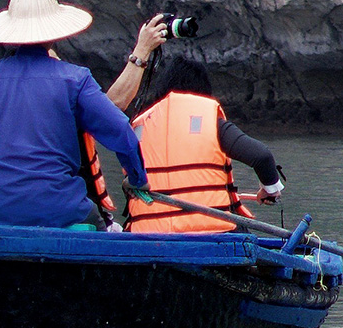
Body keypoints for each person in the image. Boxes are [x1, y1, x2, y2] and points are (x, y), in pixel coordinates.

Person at [0, 0, 147, 228]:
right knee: (110, 227)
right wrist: (137, 179)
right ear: (54, 35)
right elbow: (120, 130)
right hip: (63, 212)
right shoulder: (75, 79)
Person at [119, 44, 286, 233]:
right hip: (210, 233)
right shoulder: (210, 122)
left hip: (147, 234)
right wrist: (271, 190)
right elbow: (261, 156)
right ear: (202, 89)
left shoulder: (138, 127)